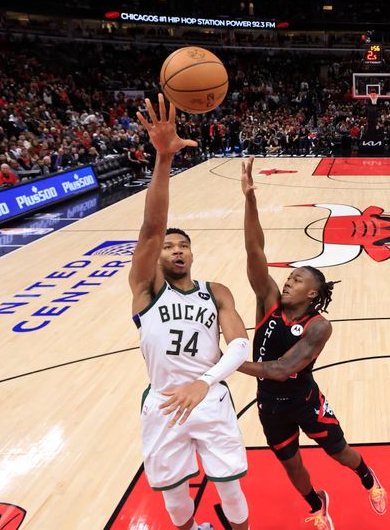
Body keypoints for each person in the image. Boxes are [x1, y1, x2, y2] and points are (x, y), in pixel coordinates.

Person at [237, 157, 388, 530]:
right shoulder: (268, 302)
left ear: (314, 292)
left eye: (298, 278)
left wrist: (227, 362)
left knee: (340, 454)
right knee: (292, 465)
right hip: (270, 407)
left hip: (306, 402)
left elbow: (282, 369)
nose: (288, 280)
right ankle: (318, 503)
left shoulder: (320, 327)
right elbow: (255, 251)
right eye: (290, 276)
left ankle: (369, 477)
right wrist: (250, 200)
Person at [128, 95, 251, 530]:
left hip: (211, 397)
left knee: (232, 491)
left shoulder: (215, 291)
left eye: (183, 245)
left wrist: (204, 382)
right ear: (157, 256)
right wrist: (163, 159)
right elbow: (151, 227)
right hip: (163, 402)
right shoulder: (146, 291)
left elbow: (239, 344)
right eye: (168, 246)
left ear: (192, 253)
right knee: (175, 499)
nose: (175, 249)